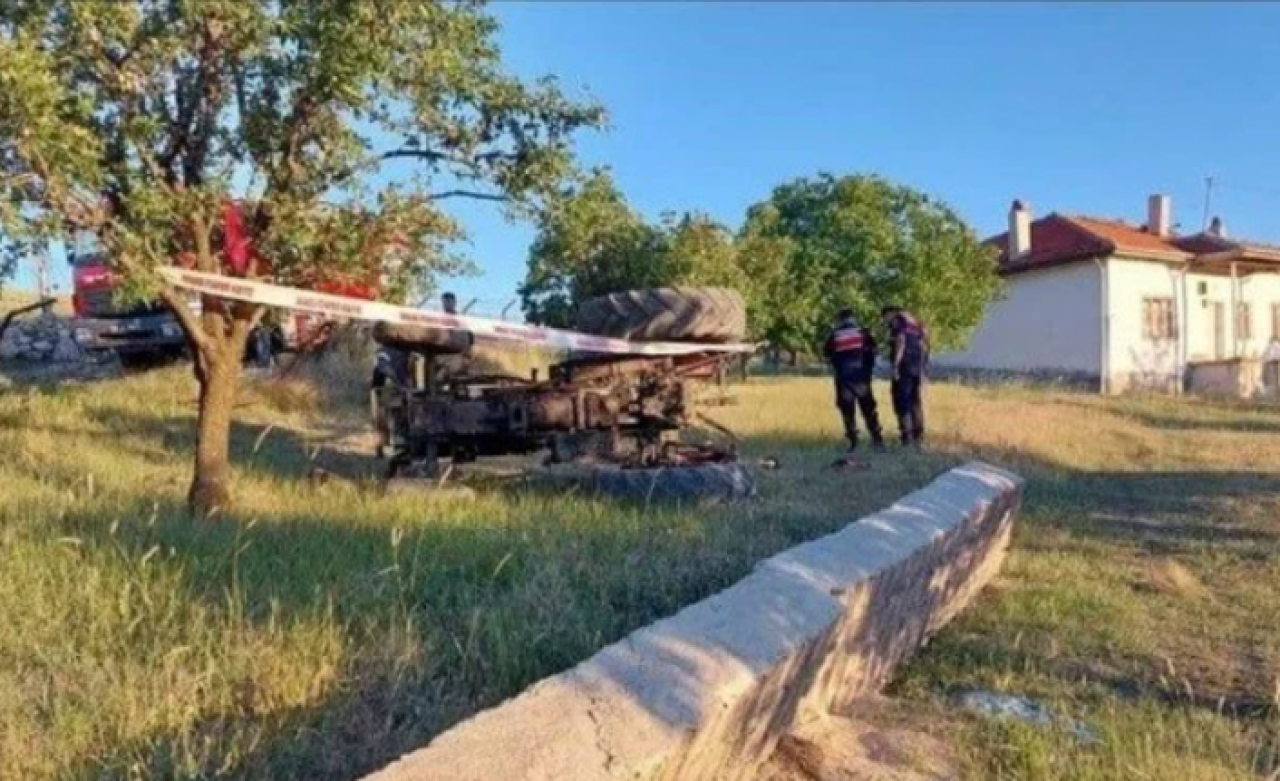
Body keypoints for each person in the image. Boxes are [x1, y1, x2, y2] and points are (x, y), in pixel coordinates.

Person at [822, 307, 885, 452]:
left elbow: (827, 354)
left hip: (844, 379)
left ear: (840, 320)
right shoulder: (863, 333)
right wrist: (868, 369)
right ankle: (877, 439)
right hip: (861, 378)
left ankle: (853, 442)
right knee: (869, 409)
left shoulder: (835, 335)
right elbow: (873, 352)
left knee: (847, 410)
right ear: (853, 318)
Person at [881, 304, 930, 446]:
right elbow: (924, 347)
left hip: (904, 368)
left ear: (891, 313)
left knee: (902, 402)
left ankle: (907, 438)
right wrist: (923, 370)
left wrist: (896, 365)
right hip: (916, 368)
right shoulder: (916, 324)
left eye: (885, 317)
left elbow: (901, 341)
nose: (885, 321)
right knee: (915, 402)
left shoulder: (898, 322)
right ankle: (918, 437)